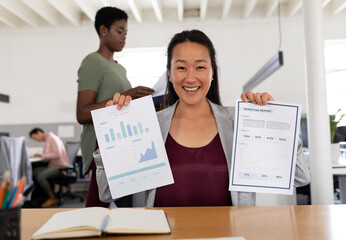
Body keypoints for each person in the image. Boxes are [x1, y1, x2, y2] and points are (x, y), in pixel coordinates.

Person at [95, 30, 311, 207]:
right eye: (181, 67)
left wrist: (277, 123)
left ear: (212, 72)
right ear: (169, 74)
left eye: (200, 67)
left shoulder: (239, 122)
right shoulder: (148, 125)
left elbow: (300, 177)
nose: (190, 77)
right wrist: (112, 134)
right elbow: (106, 192)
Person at [76, 7, 154, 207]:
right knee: (106, 203)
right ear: (103, 30)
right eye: (120, 31)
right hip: (102, 143)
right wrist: (127, 95)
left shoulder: (119, 67)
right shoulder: (93, 62)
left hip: (120, 141)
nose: (124, 37)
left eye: (126, 32)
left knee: (118, 202)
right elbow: (83, 112)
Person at [29, 128, 69, 207]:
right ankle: (41, 195)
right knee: (35, 171)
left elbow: (57, 154)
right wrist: (42, 155)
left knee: (40, 177)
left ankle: (52, 198)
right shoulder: (47, 140)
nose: (36, 140)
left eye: (35, 137)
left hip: (60, 166)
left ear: (39, 132)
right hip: (53, 164)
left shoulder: (52, 138)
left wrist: (42, 155)